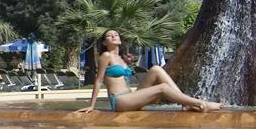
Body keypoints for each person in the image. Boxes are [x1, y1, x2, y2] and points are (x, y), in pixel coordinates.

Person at [77, 29, 222, 113]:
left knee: (156, 69)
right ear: (104, 42)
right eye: (109, 35)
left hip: (131, 97)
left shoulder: (120, 58)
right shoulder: (105, 56)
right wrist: (92, 105)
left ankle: (186, 102)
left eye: (116, 34)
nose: (114, 36)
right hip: (120, 101)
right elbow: (98, 80)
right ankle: (201, 104)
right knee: (162, 88)